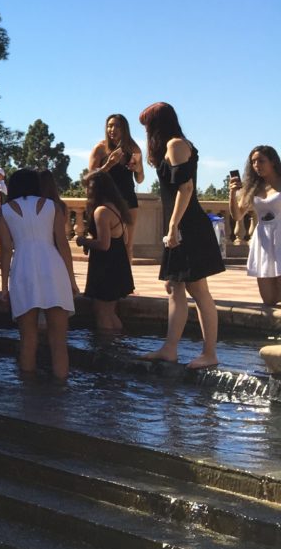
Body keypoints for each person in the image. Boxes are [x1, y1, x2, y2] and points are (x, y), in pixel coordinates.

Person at [137, 102, 225, 369]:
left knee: (198, 290)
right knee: (175, 288)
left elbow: (185, 188)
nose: (147, 131)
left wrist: (174, 226)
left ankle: (209, 353)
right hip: (179, 226)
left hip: (189, 226)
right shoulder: (169, 147)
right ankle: (170, 348)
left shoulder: (176, 144)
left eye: (148, 125)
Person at [0, 168, 79, 381]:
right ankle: (61, 389)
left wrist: (4, 287)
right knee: (59, 341)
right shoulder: (52, 206)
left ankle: (28, 391)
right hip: (53, 267)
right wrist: (71, 280)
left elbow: (5, 250)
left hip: (23, 268)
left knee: (28, 339)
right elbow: (63, 245)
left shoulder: (4, 211)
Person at [78, 171, 135, 332]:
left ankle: (106, 345)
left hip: (106, 268)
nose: (86, 191)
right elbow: (124, 239)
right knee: (110, 312)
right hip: (118, 264)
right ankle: (118, 342)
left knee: (102, 312)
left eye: (88, 187)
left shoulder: (101, 211)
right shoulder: (118, 208)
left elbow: (104, 244)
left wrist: (83, 241)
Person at [228, 145, 281, 307]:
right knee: (269, 300)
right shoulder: (253, 188)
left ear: (273, 162)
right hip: (263, 241)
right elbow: (237, 215)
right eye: (253, 162)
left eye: (261, 161)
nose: (256, 165)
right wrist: (232, 193)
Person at [88, 114, 145, 262]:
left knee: (128, 245)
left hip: (128, 200)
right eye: (109, 126)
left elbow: (140, 179)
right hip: (106, 201)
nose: (112, 129)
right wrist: (109, 165)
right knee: (106, 244)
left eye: (117, 126)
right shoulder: (100, 149)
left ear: (124, 129)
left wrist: (138, 169)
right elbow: (90, 178)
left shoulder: (133, 148)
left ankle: (125, 276)